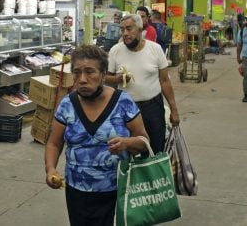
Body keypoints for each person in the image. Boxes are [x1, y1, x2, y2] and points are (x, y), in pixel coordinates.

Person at [45, 45, 149, 226]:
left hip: (118, 191)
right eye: (77, 73)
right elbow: (54, 143)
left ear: (103, 75)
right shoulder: (67, 105)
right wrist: (51, 169)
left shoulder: (123, 102)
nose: (82, 79)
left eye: (90, 72)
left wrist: (127, 143)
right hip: (77, 192)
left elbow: (143, 140)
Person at [106, 13, 180, 153]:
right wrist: (117, 79)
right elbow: (105, 78)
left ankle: (155, 174)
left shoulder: (155, 49)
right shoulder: (116, 51)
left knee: (156, 148)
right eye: (122, 30)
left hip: (152, 107)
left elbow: (165, 81)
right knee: (128, 150)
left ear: (140, 29)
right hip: (125, 110)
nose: (125, 33)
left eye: (129, 29)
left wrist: (174, 110)